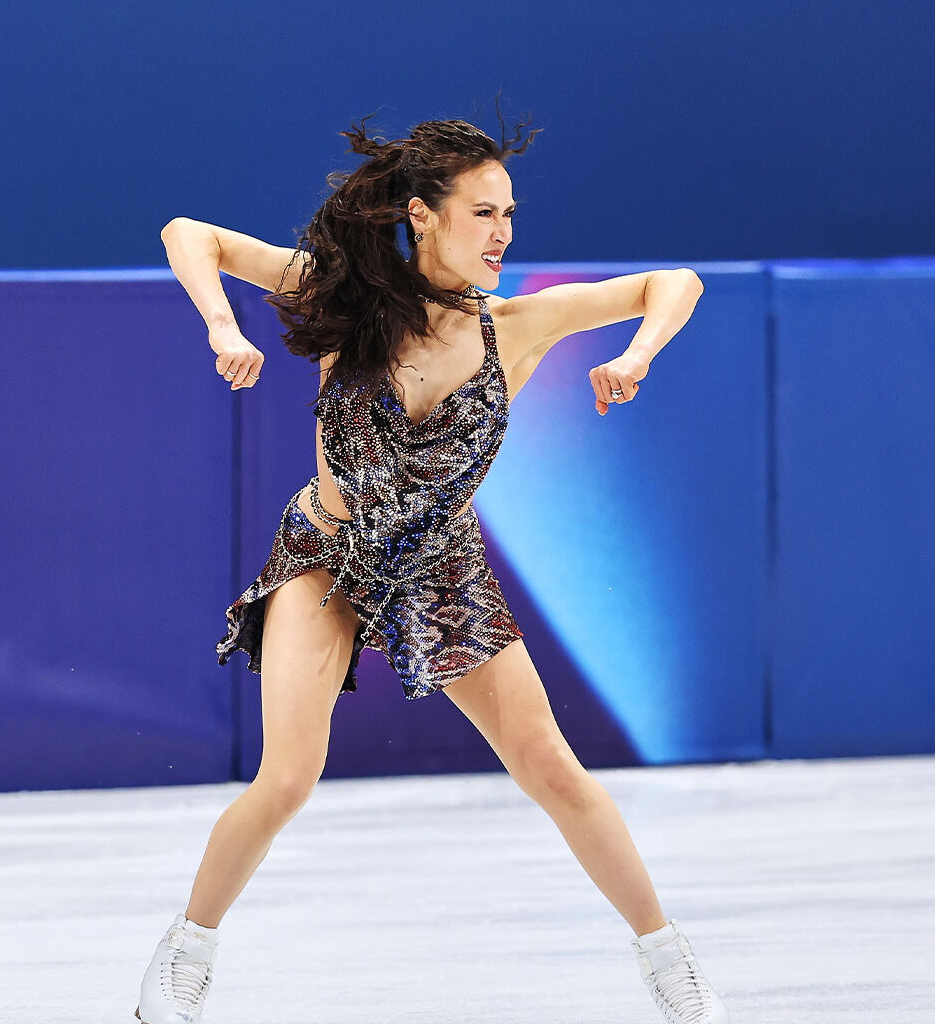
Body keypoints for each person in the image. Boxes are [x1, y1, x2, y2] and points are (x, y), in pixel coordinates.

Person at [137, 119, 725, 1024]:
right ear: (423, 215)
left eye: (510, 214)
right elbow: (190, 234)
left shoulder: (516, 326)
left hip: (439, 568)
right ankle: (185, 955)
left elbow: (674, 282)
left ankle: (670, 964)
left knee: (550, 767)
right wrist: (222, 325)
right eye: (484, 213)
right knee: (288, 776)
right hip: (326, 557)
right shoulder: (344, 300)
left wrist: (636, 353)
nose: (503, 233)